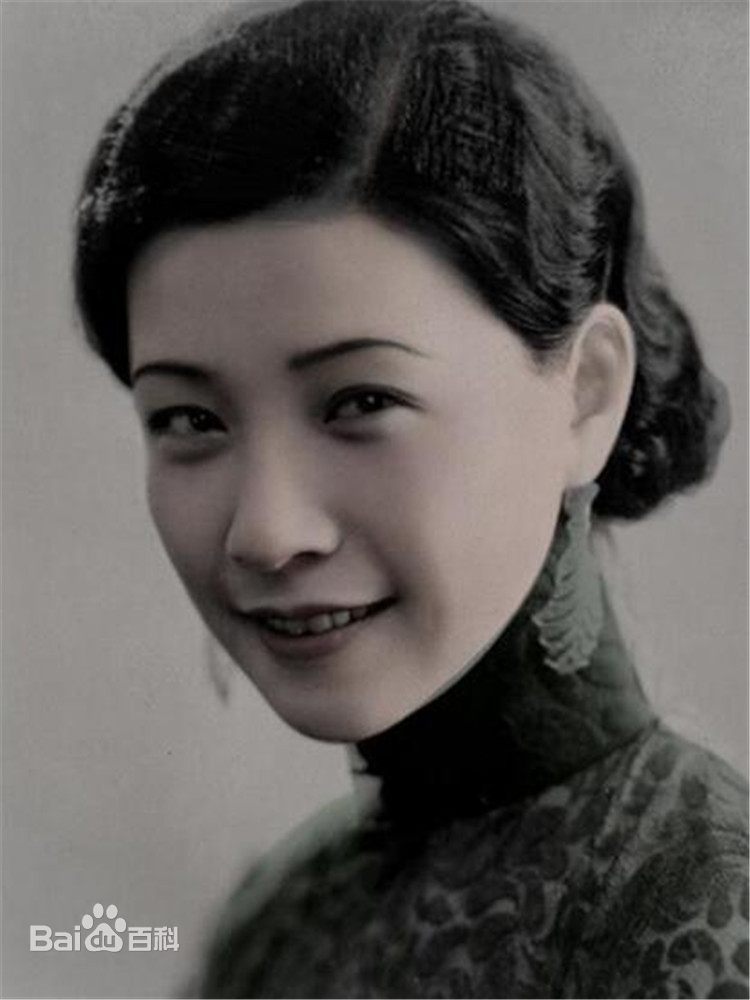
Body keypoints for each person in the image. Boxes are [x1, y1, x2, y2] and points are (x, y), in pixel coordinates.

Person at [74, 1, 748, 996]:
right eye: (188, 418)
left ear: (587, 392)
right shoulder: (276, 922)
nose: (265, 531)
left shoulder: (700, 904)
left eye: (361, 400)